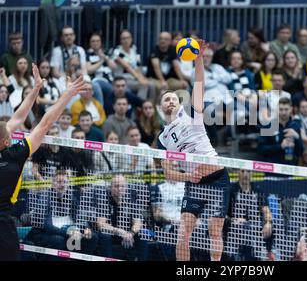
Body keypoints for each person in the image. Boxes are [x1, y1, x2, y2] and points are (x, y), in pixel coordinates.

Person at [0, 64, 86, 261]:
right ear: (7, 141)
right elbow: (46, 123)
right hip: (3, 225)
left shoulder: (8, 145)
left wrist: (36, 88)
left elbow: (17, 117)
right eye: (10, 135)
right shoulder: (16, 153)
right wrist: (68, 94)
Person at [157, 40, 231, 261]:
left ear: (179, 104)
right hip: (194, 184)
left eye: (173, 98)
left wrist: (198, 58)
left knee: (214, 231)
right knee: (183, 233)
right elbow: (168, 173)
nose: (170, 101)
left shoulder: (194, 116)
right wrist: (189, 176)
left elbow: (199, 84)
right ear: (161, 107)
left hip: (218, 179)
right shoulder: (162, 139)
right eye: (165, 99)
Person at [32, 170, 98, 257]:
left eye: (65, 182)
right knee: (59, 240)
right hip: (44, 234)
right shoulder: (45, 199)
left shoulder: (71, 199)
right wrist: (69, 232)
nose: (62, 185)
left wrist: (86, 229)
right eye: (59, 182)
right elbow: (48, 226)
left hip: (66, 231)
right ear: (52, 183)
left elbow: (80, 219)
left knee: (92, 237)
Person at [226, 169, 274, 261]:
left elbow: (266, 210)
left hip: (255, 226)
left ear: (252, 173)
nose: (245, 174)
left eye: (248, 171)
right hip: (235, 226)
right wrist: (233, 220)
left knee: (273, 227)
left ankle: (268, 255)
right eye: (242, 171)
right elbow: (223, 213)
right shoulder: (231, 190)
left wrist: (268, 222)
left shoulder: (257, 190)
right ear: (237, 172)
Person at [97, 174, 148, 261]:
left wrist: (131, 233)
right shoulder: (105, 199)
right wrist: (119, 231)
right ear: (110, 187)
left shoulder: (132, 198)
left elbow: (138, 222)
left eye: (122, 186)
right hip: (112, 234)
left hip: (128, 234)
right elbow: (100, 224)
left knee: (143, 234)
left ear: (126, 187)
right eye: (116, 186)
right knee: (105, 236)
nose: (120, 189)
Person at [258, 97, 303, 165]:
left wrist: (297, 138)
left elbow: (300, 152)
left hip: (290, 170)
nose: (283, 112)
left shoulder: (296, 126)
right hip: (272, 171)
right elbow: (261, 149)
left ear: (291, 109)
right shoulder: (267, 126)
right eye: (281, 109)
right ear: (277, 110)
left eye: (286, 109)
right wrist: (280, 146)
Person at [111, 29, 153, 100]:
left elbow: (137, 67)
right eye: (123, 38)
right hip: (122, 79)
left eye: (128, 38)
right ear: (120, 40)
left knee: (152, 85)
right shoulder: (117, 51)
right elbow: (127, 67)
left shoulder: (133, 49)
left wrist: (143, 78)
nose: (126, 40)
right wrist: (140, 79)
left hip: (133, 78)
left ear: (131, 39)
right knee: (143, 85)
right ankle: (140, 106)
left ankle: (150, 107)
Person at [85, 32, 116, 103]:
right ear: (90, 43)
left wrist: (104, 57)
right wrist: (101, 61)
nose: (95, 43)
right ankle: (100, 111)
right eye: (93, 41)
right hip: (96, 80)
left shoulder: (108, 53)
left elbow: (114, 68)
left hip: (110, 81)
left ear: (101, 42)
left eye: (97, 41)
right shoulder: (88, 55)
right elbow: (89, 70)